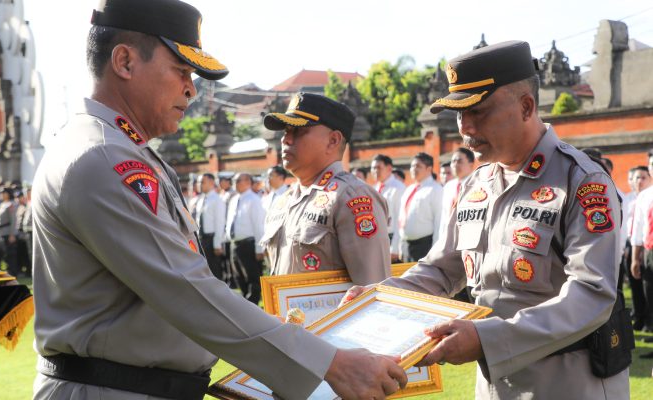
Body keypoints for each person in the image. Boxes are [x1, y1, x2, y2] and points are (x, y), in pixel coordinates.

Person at [31, 1, 406, 399]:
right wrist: (331, 364)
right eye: (181, 71)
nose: (191, 89)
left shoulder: (117, 150)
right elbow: (185, 290)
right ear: (124, 62)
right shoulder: (104, 157)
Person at [345, 40, 628, 398]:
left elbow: (591, 293)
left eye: (478, 111)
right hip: (495, 382)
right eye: (459, 115)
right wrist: (381, 296)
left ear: (526, 106)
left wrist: (486, 339)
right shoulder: (477, 184)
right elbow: (441, 270)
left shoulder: (581, 181)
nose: (465, 128)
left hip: (568, 382)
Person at [261, 92, 391, 285]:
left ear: (333, 140)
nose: (286, 140)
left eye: (297, 131)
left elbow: (373, 290)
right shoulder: (284, 200)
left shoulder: (351, 197)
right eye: (285, 131)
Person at [225, 173, 265, 304]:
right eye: (234, 181)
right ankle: (246, 302)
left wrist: (259, 248)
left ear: (248, 181)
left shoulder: (254, 200)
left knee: (252, 276)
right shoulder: (234, 199)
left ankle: (253, 303)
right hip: (235, 244)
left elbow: (258, 225)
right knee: (238, 276)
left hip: (249, 243)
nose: (234, 184)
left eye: (237, 181)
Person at [398, 152, 443, 262]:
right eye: (412, 166)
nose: (413, 169)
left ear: (429, 169)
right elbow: (401, 218)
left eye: (418, 166)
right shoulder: (409, 189)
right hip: (406, 245)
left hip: (424, 246)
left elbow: (439, 221)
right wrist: (400, 244)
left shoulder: (435, 189)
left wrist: (435, 250)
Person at [626, 166, 650, 331]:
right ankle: (643, 320)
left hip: (644, 246)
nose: (639, 181)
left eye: (643, 177)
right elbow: (637, 228)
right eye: (636, 177)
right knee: (644, 290)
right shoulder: (640, 197)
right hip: (643, 247)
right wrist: (635, 256)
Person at [632, 150, 653, 336]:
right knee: (650, 298)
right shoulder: (645, 196)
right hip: (649, 253)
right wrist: (635, 259)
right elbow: (638, 230)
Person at [371, 154, 405, 262]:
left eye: (379, 168)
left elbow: (400, 219)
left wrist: (395, 247)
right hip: (376, 239)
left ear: (389, 168)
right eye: (373, 168)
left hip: (391, 238)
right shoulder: (373, 189)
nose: (375, 171)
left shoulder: (398, 188)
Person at [194, 173, 226, 279]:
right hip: (201, 238)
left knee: (214, 269)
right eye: (198, 182)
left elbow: (220, 223)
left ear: (212, 182)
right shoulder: (201, 199)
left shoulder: (217, 200)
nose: (199, 184)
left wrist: (217, 244)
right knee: (204, 270)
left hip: (211, 239)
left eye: (202, 182)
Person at [439, 147, 475, 239]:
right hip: (449, 237)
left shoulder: (477, 184)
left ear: (471, 164)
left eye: (459, 161)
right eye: (453, 161)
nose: (455, 164)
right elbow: (444, 215)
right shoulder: (448, 186)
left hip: (469, 236)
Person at [0, 187, 18, 276]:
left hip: (8, 232)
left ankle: (13, 272)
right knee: (4, 253)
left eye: (4, 193)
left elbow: (13, 220)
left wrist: (12, 234)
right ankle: (8, 270)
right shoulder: (2, 204)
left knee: (10, 254)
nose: (2, 194)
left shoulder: (11, 204)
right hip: (2, 232)